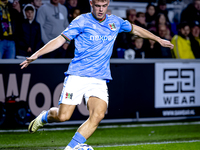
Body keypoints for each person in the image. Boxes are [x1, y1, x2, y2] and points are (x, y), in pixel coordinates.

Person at [20, 0, 174, 149]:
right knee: (63, 116)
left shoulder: (115, 22)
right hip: (78, 75)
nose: (101, 9)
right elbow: (60, 39)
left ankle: (71, 148)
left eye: (104, 6)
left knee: (98, 114)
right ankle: (44, 117)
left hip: (99, 78)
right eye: (98, 6)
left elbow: (135, 29)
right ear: (91, 4)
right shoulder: (81, 21)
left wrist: (158, 39)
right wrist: (37, 54)